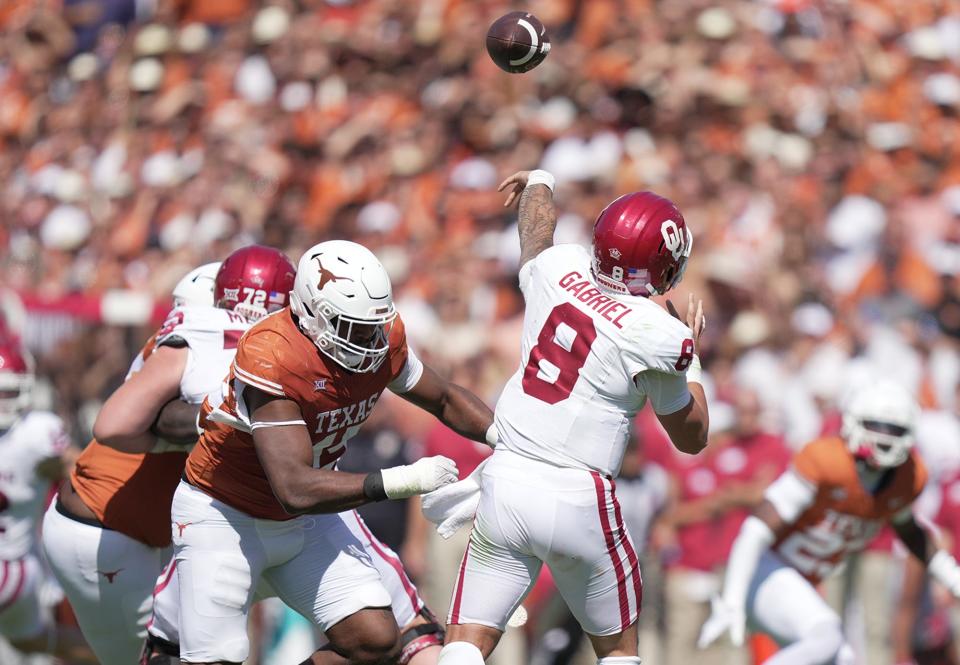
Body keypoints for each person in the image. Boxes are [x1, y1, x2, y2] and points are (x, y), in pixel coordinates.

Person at [170, 239, 497, 665]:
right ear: (310, 316)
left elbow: (444, 398)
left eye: (373, 326)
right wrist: (406, 479)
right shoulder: (274, 354)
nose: (368, 340)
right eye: (352, 327)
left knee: (375, 640)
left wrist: (507, 439)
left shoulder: (381, 336)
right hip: (225, 513)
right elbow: (294, 485)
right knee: (216, 657)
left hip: (300, 520)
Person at [435, 169, 710, 665]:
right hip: (580, 496)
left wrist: (539, 182)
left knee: (465, 643)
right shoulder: (657, 332)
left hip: (507, 481)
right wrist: (693, 361)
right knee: (618, 652)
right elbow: (692, 437)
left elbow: (536, 231)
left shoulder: (559, 268)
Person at [40, 247, 294, 665]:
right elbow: (133, 423)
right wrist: (231, 416)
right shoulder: (191, 348)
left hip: (134, 531)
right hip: (106, 529)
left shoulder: (198, 343)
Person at [698, 381, 960, 665]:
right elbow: (755, 530)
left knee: (843, 659)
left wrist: (954, 580)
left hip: (804, 582)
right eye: (875, 425)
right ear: (853, 423)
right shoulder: (826, 460)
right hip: (766, 570)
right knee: (827, 635)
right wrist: (733, 599)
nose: (884, 437)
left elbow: (912, 534)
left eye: (894, 429)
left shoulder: (907, 477)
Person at [0, 338, 95, 663]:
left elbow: (83, 469)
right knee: (30, 643)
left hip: (11, 565)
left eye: (7, 392)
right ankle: (121, 654)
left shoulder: (35, 433)